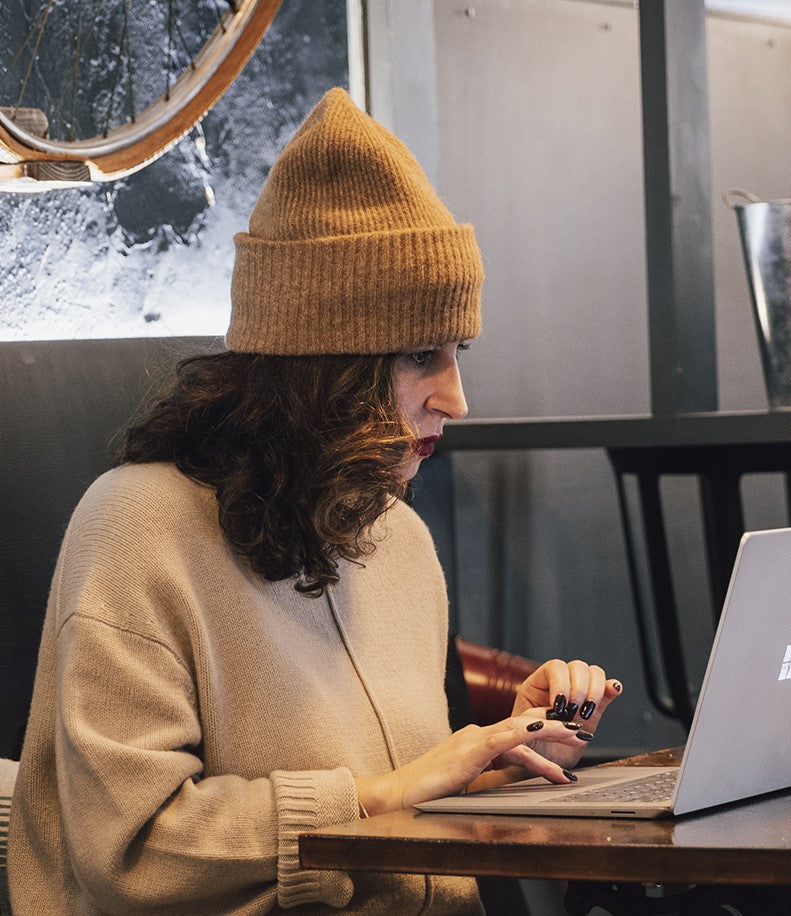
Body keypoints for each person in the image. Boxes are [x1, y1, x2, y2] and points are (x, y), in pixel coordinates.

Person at [8, 88, 622, 914]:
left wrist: (498, 764)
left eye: (456, 350)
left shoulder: (395, 536)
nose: (456, 397)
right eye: (417, 356)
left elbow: (404, 805)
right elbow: (132, 850)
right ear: (318, 366)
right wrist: (383, 795)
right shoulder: (137, 527)